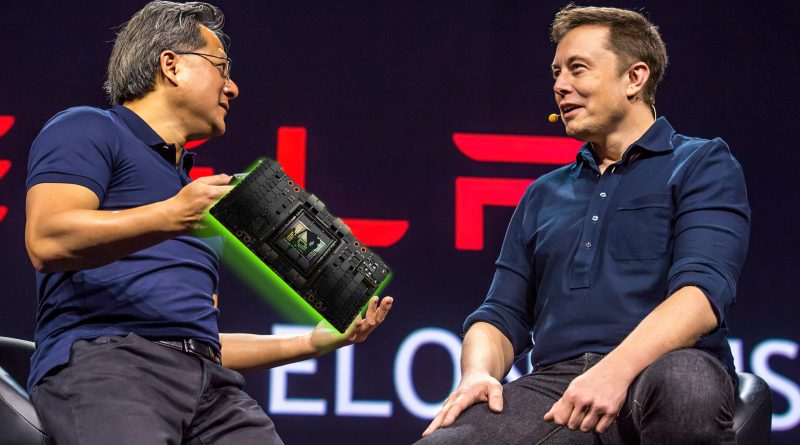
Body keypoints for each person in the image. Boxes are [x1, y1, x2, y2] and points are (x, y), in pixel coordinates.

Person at [24, 2, 393, 444]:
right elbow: (46, 240)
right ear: (171, 65)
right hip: (109, 365)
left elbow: (200, 339)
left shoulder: (194, 200)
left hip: (211, 386)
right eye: (221, 68)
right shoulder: (89, 128)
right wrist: (173, 215)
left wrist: (312, 342)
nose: (232, 88)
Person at [419, 5, 749, 444]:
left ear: (634, 78)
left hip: (665, 368)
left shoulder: (701, 163)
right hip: (558, 383)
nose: (560, 85)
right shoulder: (544, 194)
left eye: (577, 68)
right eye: (556, 73)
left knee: (687, 384)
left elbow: (701, 295)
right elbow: (501, 314)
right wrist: (478, 371)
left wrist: (615, 370)